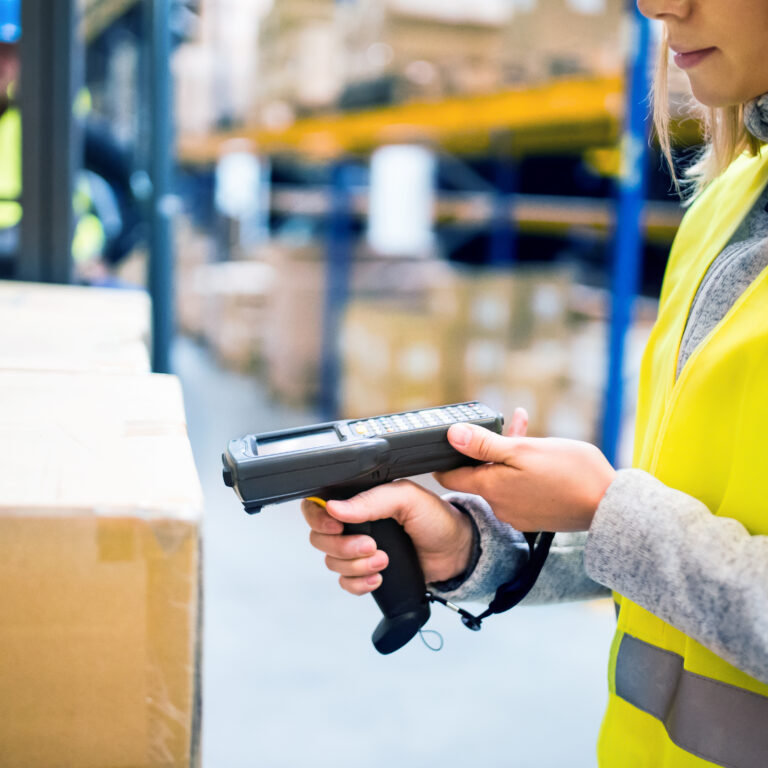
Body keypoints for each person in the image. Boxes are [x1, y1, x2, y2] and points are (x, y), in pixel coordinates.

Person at [302, 0, 768, 766]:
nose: (658, 5)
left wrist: (609, 509)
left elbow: (648, 534)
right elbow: (692, 538)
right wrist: (474, 550)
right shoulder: (723, 202)